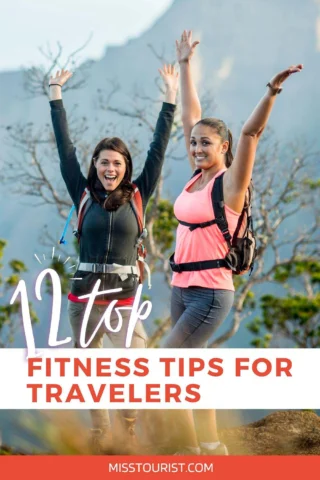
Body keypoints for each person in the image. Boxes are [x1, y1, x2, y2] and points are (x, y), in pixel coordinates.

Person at [164, 30, 303, 455]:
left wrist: (272, 92)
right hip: (181, 289)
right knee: (190, 368)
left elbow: (250, 135)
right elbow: (192, 115)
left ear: (223, 148)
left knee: (167, 366)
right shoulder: (194, 177)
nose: (196, 147)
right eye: (193, 143)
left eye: (206, 143)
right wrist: (186, 64)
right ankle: (211, 446)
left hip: (210, 293)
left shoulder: (229, 186)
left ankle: (187, 451)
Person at [49, 65, 178, 453]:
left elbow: (159, 145)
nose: (109, 168)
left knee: (134, 369)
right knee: (89, 372)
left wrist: (170, 96)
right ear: (95, 166)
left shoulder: (139, 195)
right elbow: (64, 147)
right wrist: (55, 94)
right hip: (83, 300)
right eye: (104, 162)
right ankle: (100, 432)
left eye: (117, 164)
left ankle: (129, 425)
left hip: (123, 300)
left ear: (126, 170)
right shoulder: (83, 193)